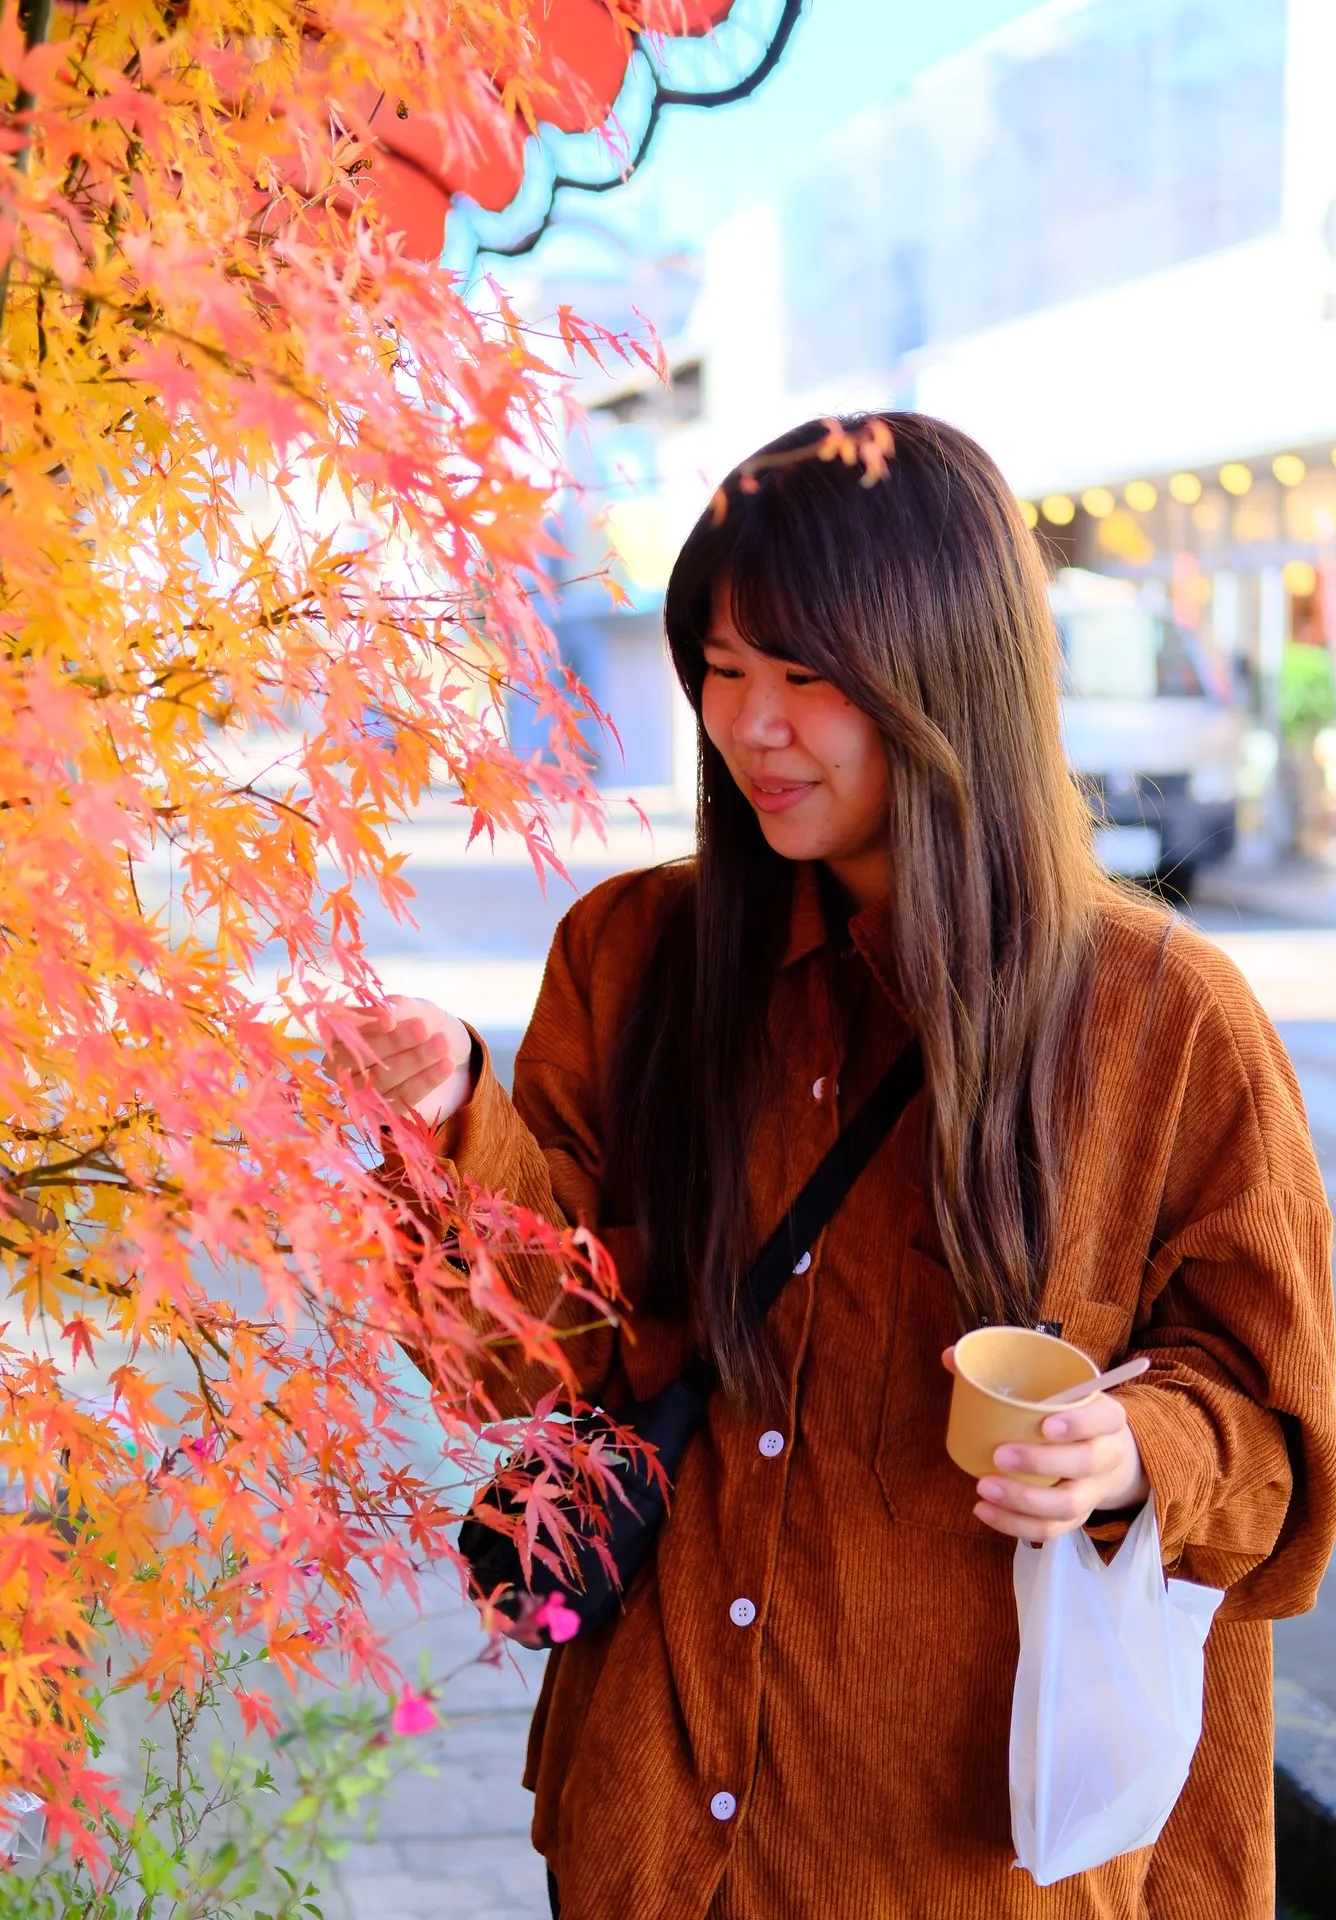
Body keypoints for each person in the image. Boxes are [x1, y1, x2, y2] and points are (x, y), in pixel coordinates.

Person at [340, 414, 1336, 1917]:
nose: (750, 727)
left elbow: (1283, 1445)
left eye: (807, 678)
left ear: (948, 676)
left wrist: (1137, 1454)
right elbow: (523, 1368)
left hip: (971, 1859)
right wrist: (447, 1116)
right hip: (659, 1829)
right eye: (722, 673)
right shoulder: (634, 956)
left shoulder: (1159, 1020)